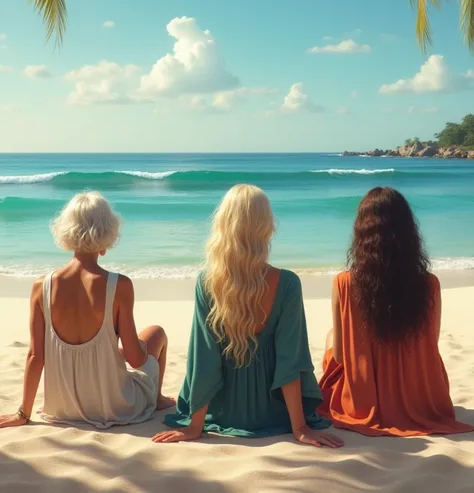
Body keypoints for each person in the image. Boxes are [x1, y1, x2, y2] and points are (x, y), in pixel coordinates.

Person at [153, 184, 343, 448]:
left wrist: (195, 426)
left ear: (223, 225)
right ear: (265, 226)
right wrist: (299, 427)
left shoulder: (207, 282)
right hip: (275, 409)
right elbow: (291, 357)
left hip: (220, 408)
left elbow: (204, 358)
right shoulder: (287, 283)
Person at [0, 192, 174, 430]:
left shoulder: (42, 286)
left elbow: (35, 356)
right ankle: (158, 399)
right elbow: (135, 358)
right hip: (114, 406)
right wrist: (136, 349)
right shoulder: (118, 285)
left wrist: (23, 412)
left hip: (63, 408)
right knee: (156, 332)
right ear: (106, 234)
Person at [320, 186, 473, 437]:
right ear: (408, 232)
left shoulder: (344, 283)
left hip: (364, 400)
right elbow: (430, 345)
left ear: (361, 232)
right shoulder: (429, 284)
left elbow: (339, 356)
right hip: (423, 399)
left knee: (330, 337)